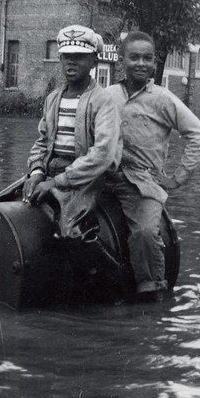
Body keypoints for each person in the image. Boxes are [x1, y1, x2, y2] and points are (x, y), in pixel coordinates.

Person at [106, 31, 200, 302]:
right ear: (121, 60)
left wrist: (177, 178)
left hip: (143, 181)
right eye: (134, 57)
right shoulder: (107, 96)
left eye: (147, 58)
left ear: (154, 63)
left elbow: (198, 133)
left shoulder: (163, 99)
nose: (141, 63)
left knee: (145, 233)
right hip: (103, 175)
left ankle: (152, 292)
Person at [22, 25, 121, 239]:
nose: (71, 62)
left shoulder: (103, 101)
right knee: (7, 204)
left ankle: (99, 270)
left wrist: (56, 182)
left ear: (94, 61)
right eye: (66, 56)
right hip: (51, 171)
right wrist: (37, 172)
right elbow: (42, 142)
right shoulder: (53, 99)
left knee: (71, 232)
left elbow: (102, 154)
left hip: (86, 179)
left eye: (79, 56)